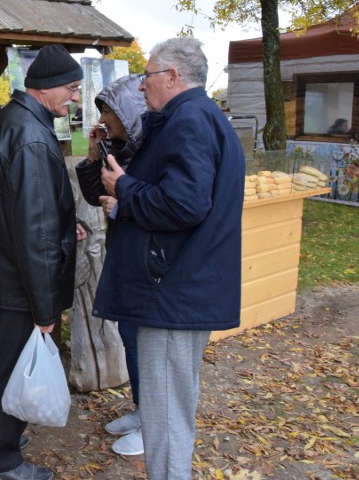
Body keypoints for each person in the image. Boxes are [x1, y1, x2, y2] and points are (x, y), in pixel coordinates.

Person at [94, 37, 244, 479]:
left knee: (165, 418)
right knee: (170, 409)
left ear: (173, 76)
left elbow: (184, 204)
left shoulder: (190, 120)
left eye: (148, 76)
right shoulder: (196, 117)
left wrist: (124, 188)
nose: (142, 87)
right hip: (180, 287)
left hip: (172, 292)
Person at [0, 44, 87, 480]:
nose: (74, 97)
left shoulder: (15, 120)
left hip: (6, 268)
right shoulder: (32, 136)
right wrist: (45, 308)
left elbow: (26, 210)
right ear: (48, 87)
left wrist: (62, 224)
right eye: (72, 88)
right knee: (16, 364)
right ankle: (1, 459)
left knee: (4, 361)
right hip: (20, 279)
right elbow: (34, 232)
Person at [75, 74, 146, 457]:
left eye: (109, 110)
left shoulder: (146, 150)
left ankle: (154, 423)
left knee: (142, 342)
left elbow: (159, 204)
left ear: (127, 112)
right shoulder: (118, 147)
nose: (103, 117)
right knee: (131, 337)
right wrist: (92, 155)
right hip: (126, 255)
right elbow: (92, 194)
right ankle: (143, 411)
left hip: (143, 258)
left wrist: (121, 205)